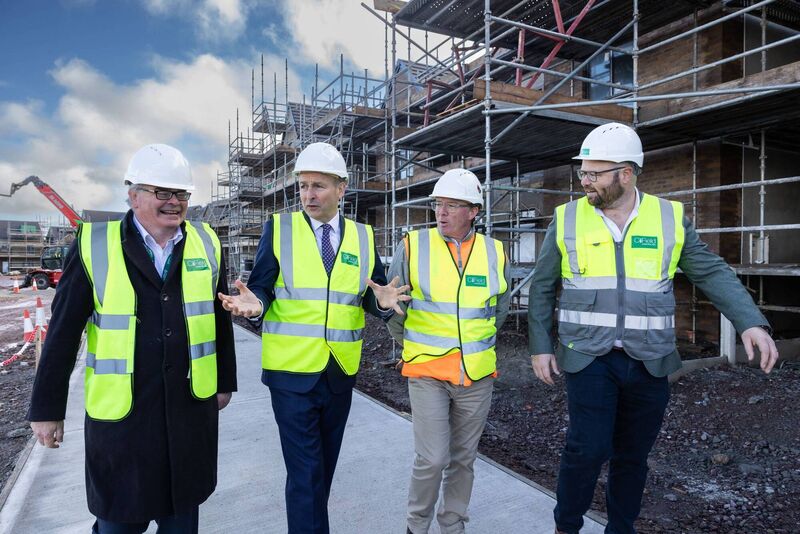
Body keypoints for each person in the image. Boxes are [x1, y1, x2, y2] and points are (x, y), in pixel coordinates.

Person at [528, 122, 779, 534]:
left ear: (626, 174)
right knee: (586, 449)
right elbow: (542, 285)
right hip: (588, 355)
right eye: (583, 173)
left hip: (650, 361)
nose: (585, 181)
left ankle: (620, 529)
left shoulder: (669, 218)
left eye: (594, 173)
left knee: (632, 456)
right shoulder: (568, 217)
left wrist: (750, 321)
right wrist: (540, 345)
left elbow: (710, 271)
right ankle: (567, 526)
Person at [28, 143, 237, 534]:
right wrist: (46, 408)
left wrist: (224, 382)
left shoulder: (206, 242)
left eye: (181, 194)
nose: (174, 202)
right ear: (133, 194)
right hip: (123, 420)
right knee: (119, 522)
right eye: (163, 192)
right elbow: (62, 332)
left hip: (188, 411)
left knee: (181, 518)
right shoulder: (94, 244)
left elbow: (219, 318)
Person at [218, 142, 408, 534]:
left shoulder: (363, 236)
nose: (308, 195)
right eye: (303, 186)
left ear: (341, 188)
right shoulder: (280, 229)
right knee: (305, 473)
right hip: (290, 372)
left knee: (321, 471)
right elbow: (263, 290)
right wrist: (255, 306)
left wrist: (385, 305)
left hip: (339, 371)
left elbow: (369, 296)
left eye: (318, 186)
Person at [384, 169, 510, 534]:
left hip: (476, 374)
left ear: (473, 211)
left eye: (452, 205)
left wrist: (475, 343)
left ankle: (452, 523)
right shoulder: (413, 244)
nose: (441, 212)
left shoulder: (495, 251)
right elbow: (395, 307)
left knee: (464, 458)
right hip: (426, 372)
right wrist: (412, 346)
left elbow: (498, 310)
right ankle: (416, 525)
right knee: (432, 458)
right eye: (438, 204)